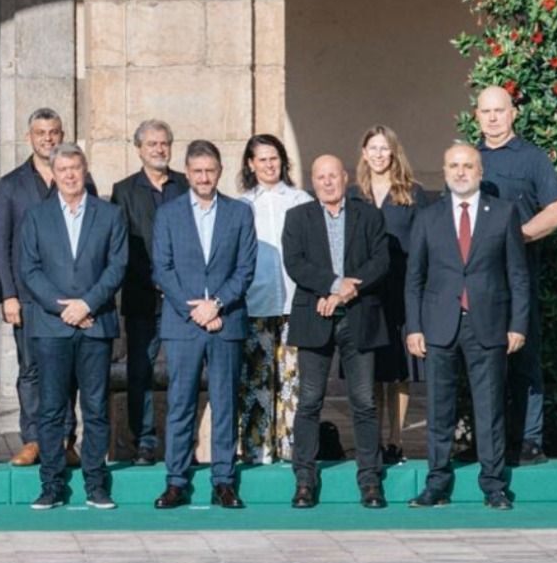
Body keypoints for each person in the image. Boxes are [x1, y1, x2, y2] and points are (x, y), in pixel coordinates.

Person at [405, 144, 529, 511]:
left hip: (488, 325)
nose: (461, 172)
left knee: (489, 409)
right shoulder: (428, 217)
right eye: (454, 166)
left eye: (468, 165)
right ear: (444, 171)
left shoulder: (503, 214)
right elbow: (414, 279)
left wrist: (517, 324)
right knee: (439, 409)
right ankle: (437, 484)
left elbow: (518, 276)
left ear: (480, 171)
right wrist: (414, 327)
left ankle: (493, 485)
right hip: (439, 326)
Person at [19, 144, 128, 510]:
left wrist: (86, 304)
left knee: (95, 408)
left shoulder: (110, 215)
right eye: (62, 169)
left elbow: (116, 266)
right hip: (51, 328)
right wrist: (62, 307)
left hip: (95, 325)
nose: (69, 175)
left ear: (85, 171)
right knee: (51, 410)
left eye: (75, 168)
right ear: (54, 173)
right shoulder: (36, 217)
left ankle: (96, 484)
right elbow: (29, 269)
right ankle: (51, 485)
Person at [0, 107, 97, 468]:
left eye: (54, 132)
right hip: (28, 297)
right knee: (31, 371)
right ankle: (33, 439)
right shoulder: (11, 184)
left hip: (70, 298)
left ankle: (66, 440)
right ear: (29, 137)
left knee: (68, 372)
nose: (47, 138)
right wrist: (8, 294)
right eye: (41, 133)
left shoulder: (80, 180)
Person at [151, 140, 256, 509]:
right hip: (183, 324)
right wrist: (193, 309)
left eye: (210, 170)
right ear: (187, 172)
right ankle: (176, 480)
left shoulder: (240, 213)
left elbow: (245, 269)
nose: (204, 177)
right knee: (180, 403)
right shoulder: (169, 214)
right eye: (197, 171)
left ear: (220, 171)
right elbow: (162, 269)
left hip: (226, 322)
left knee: (225, 402)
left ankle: (224, 480)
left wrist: (218, 305)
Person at [282, 156, 390, 509]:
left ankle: (370, 481)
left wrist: (347, 291)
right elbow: (295, 262)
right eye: (320, 177)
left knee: (364, 401)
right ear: (312, 182)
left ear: (345, 178)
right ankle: (304, 480)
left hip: (358, 317)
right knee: (310, 401)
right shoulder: (298, 217)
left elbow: (380, 261)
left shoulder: (369, 215)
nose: (328, 182)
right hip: (315, 317)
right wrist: (332, 286)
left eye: (333, 175)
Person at [475, 85, 557, 464]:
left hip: (518, 276)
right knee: (484, 360)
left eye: (500, 110)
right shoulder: (470, 159)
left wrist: (516, 235)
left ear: (513, 113)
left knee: (524, 359)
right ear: (477, 116)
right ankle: (490, 440)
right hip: (478, 280)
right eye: (486, 111)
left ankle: (530, 441)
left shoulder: (532, 158)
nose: (493, 117)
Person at [353, 125, 432, 464]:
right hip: (366, 294)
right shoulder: (354, 195)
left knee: (399, 370)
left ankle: (396, 440)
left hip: (402, 290)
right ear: (364, 152)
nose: (379, 155)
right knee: (372, 368)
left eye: (385, 149)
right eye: (373, 148)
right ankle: (372, 438)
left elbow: (425, 247)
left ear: (394, 152)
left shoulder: (413, 194)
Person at [110, 119, 187, 466]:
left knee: (184, 370)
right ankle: (143, 441)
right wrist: (156, 277)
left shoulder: (186, 186)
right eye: (152, 144)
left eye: (164, 143)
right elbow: (122, 245)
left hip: (182, 299)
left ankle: (181, 440)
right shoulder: (123, 190)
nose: (159, 149)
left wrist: (173, 280)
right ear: (138, 148)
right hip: (142, 297)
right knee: (140, 371)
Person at [238, 133, 311, 464]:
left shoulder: (300, 201)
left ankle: (292, 450)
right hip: (255, 303)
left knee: (292, 382)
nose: (269, 165)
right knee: (257, 382)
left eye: (274, 158)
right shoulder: (241, 205)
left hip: (294, 304)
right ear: (251, 164)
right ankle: (257, 451)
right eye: (261, 159)